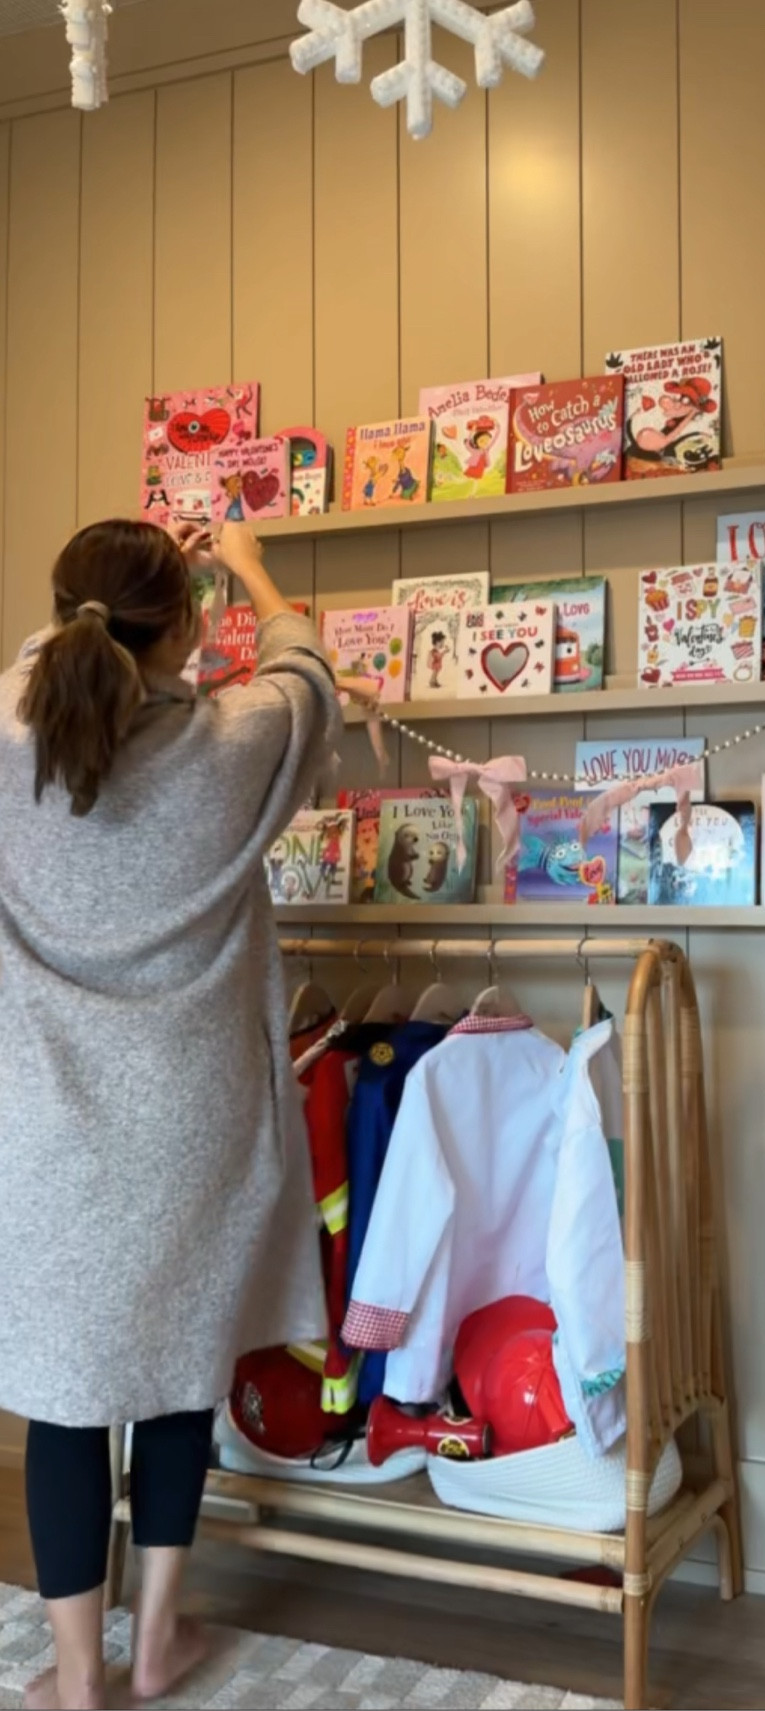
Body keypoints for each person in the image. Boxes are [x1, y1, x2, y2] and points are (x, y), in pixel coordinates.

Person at [0, 517, 340, 1710]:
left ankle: (81, 1678)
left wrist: (98, 612)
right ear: (186, 630)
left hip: (48, 1127)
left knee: (67, 1395)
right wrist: (243, 566)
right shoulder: (232, 740)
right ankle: (157, 1646)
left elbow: (43, 665)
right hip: (195, 1126)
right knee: (181, 1375)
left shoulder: (3, 737)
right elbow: (307, 676)